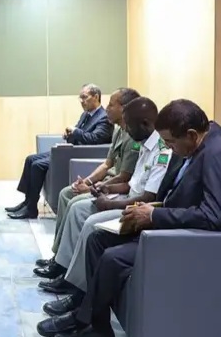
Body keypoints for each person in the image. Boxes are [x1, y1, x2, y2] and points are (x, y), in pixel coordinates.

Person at [50, 99, 221, 337]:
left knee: (112, 258)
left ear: (191, 135)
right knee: (97, 239)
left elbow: (215, 216)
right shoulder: (193, 144)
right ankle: (97, 327)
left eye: (170, 142)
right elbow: (172, 193)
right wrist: (147, 211)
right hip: (170, 224)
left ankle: (87, 323)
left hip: (194, 239)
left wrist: (154, 215)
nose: (167, 147)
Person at [34, 88, 141, 274]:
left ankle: (64, 265)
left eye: (111, 105)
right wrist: (87, 181)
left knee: (75, 204)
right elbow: (107, 164)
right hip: (108, 182)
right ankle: (58, 255)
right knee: (66, 193)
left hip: (117, 187)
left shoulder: (134, 138)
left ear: (124, 108)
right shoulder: (119, 131)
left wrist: (93, 188)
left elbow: (124, 177)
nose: (107, 108)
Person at [7, 83, 113, 220]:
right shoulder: (86, 115)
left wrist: (75, 131)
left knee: (37, 165)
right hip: (70, 150)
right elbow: (79, 133)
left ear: (96, 97)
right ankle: (27, 201)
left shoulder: (103, 118)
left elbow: (95, 138)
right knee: (30, 159)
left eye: (84, 97)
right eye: (80, 98)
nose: (82, 101)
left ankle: (31, 208)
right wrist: (69, 134)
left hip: (79, 154)